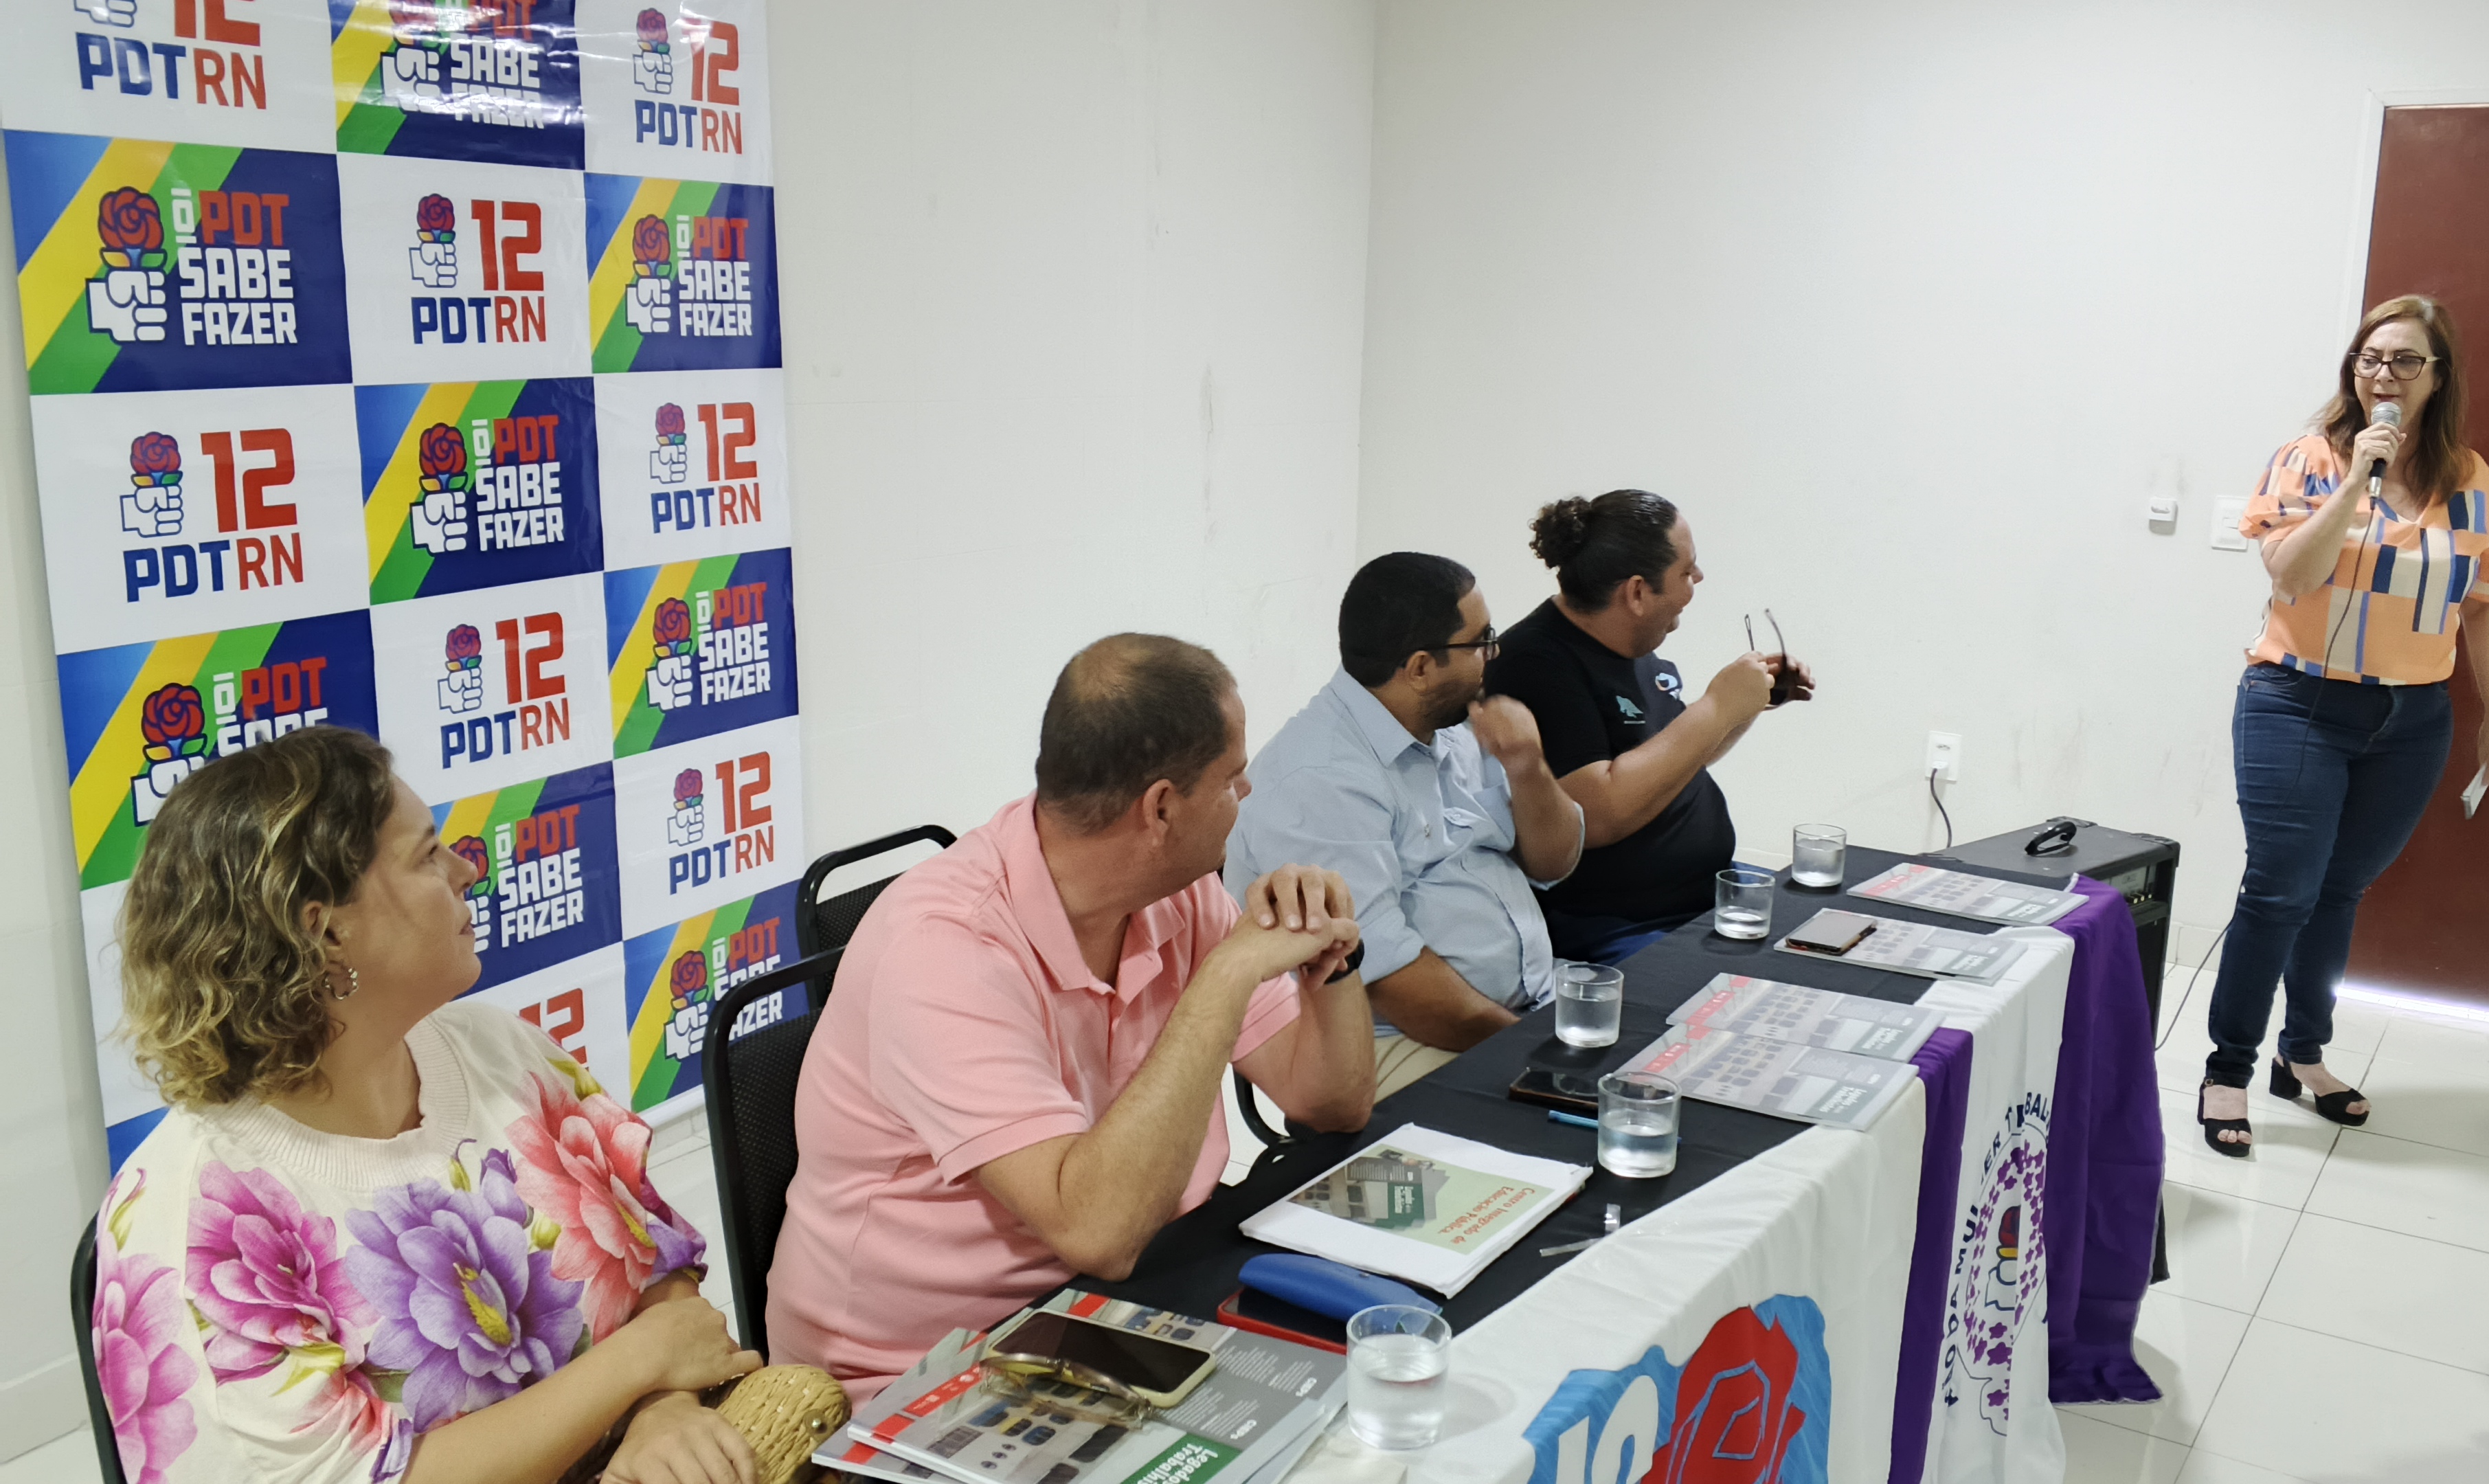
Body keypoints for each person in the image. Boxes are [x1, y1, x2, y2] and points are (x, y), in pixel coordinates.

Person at [91, 726, 793, 1484]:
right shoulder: (198, 1218)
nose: (466, 868)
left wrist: (664, 1412)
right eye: (426, 855)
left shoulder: (506, 1054)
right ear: (325, 931)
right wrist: (634, 1369)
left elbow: (660, 1276)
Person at [768, 635, 1377, 1402]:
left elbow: (1332, 1102)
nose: (1247, 791)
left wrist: (1331, 958)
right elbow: (1098, 1232)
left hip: (1109, 1299)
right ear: (1161, 807)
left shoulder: (1178, 890)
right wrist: (1226, 976)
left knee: (1352, 1390)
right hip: (920, 1370)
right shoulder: (944, 951)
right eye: (1231, 778)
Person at [2199, 295, 2489, 1156]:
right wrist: (2354, 483)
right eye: (2370, 358)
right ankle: (2228, 1070)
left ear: (2438, 377)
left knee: (2339, 893)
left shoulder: (2475, 483)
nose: (2383, 374)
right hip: (2296, 704)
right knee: (2281, 892)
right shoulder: (2308, 460)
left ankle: (2302, 1054)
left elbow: (2488, 602)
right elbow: (2290, 576)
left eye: (2405, 360)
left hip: (2412, 720)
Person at [1225, 554, 1586, 1096]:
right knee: (1592, 1122)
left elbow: (1555, 862)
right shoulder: (1320, 779)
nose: (1495, 654)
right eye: (1482, 641)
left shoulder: (1452, 723)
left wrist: (1528, 767)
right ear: (1419, 668)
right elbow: (1390, 981)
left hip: (1524, 1007)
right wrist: (1533, 1051)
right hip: (1395, 1041)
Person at [1481, 490, 1811, 962]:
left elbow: (1673, 759)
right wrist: (1718, 706)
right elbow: (1594, 816)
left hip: (1705, 893)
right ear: (1636, 593)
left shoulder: (1629, 641)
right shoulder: (1535, 664)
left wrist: (1748, 704)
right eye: (1686, 571)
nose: (1699, 578)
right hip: (1621, 923)